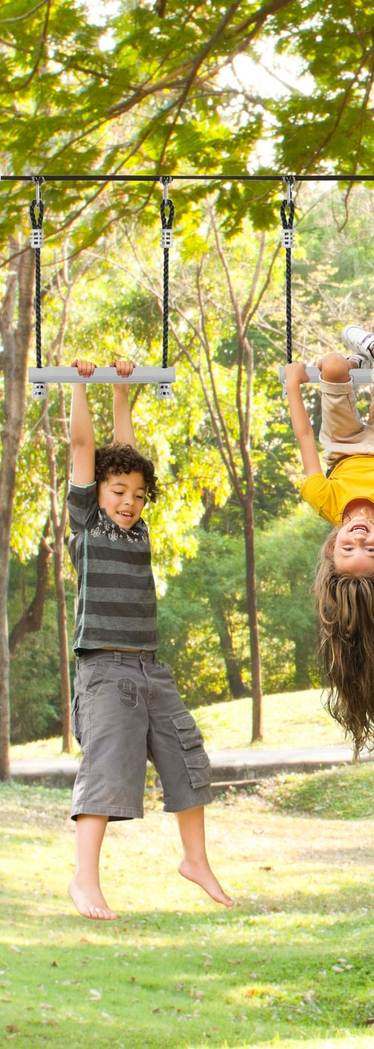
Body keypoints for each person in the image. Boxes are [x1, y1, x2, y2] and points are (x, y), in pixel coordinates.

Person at [65, 358, 232, 920]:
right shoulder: (87, 522)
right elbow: (85, 446)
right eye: (118, 491)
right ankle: (84, 879)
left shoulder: (138, 530)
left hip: (150, 669)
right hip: (104, 669)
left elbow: (125, 450)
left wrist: (121, 390)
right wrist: (81, 385)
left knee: (187, 755)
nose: (129, 501)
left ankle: (195, 860)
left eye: (138, 494)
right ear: (96, 492)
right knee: (108, 768)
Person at [282, 325, 374, 759]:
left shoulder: (325, 501)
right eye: (371, 550)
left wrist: (293, 386)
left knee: (330, 366)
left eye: (349, 549)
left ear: (332, 547)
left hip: (341, 447)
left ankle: (352, 364)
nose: (359, 539)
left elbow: (305, 439)